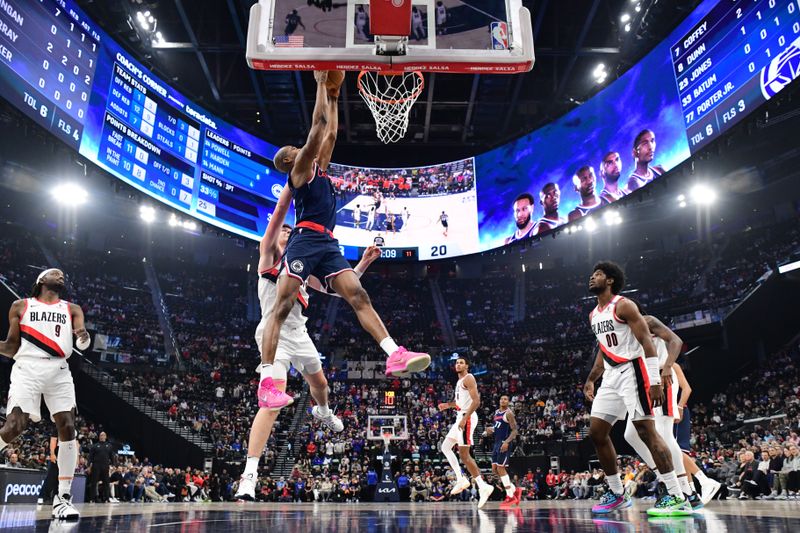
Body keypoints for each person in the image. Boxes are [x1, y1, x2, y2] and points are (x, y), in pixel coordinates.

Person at [266, 70, 430, 408]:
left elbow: (332, 131)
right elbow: (316, 130)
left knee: (358, 293)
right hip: (304, 240)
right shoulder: (298, 172)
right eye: (294, 150)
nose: (300, 148)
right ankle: (267, 379)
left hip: (328, 244)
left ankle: (394, 353)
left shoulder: (320, 168)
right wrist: (319, 85)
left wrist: (336, 93)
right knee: (281, 307)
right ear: (289, 161)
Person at [236, 183, 382, 500]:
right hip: (272, 337)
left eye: (291, 231)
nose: (287, 233)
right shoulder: (268, 258)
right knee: (269, 405)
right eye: (284, 232)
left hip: (299, 335)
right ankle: (249, 474)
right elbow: (277, 218)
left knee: (320, 384)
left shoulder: (302, 270)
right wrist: (292, 186)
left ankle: (324, 412)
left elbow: (334, 289)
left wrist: (364, 264)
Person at [583, 261, 691, 516]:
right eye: (592, 274)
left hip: (634, 370)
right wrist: (591, 379)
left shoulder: (624, 305)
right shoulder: (593, 314)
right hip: (610, 375)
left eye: (597, 274)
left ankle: (677, 496)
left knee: (646, 431)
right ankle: (617, 493)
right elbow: (603, 349)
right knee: (597, 433)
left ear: (609, 280)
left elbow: (646, 342)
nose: (592, 277)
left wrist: (655, 379)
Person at [0, 269, 89, 519]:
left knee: (68, 426)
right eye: (54, 273)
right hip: (27, 367)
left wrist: (83, 338)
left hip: (59, 369)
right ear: (41, 280)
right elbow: (10, 347)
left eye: (63, 275)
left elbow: (82, 337)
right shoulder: (20, 306)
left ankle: (62, 498)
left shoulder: (72, 309)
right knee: (14, 426)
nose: (61, 275)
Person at [618, 305, 704, 508]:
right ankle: (667, 480)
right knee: (630, 434)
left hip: (661, 379)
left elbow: (676, 341)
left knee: (665, 436)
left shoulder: (648, 321)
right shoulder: (626, 332)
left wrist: (667, 367)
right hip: (642, 383)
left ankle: (687, 492)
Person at [437, 357, 495, 508]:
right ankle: (461, 478)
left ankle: (483, 486)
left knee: (464, 454)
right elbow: (458, 404)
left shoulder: (469, 378)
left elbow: (476, 401)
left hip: (466, 418)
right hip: (460, 416)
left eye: (461, 362)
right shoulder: (459, 381)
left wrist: (465, 418)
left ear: (467, 366)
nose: (458, 364)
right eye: (457, 363)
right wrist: (447, 405)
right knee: (445, 447)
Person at [484, 395, 522, 505]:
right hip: (496, 443)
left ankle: (510, 496)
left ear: (508, 401)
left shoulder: (509, 413)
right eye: (501, 399)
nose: (503, 400)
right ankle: (515, 490)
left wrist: (507, 442)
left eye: (505, 399)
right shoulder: (496, 412)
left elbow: (515, 430)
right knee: (495, 470)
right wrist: (490, 430)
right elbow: (497, 427)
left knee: (501, 469)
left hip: (504, 443)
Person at [88, 431, 116, 503]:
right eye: (101, 435)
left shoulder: (109, 446)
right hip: (96, 466)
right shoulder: (95, 445)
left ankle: (106, 498)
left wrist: (113, 465)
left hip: (105, 466)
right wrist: (88, 465)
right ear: (99, 437)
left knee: (106, 483)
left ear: (105, 437)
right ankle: (92, 499)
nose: (102, 436)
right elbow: (90, 457)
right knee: (94, 483)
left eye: (103, 435)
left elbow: (112, 456)